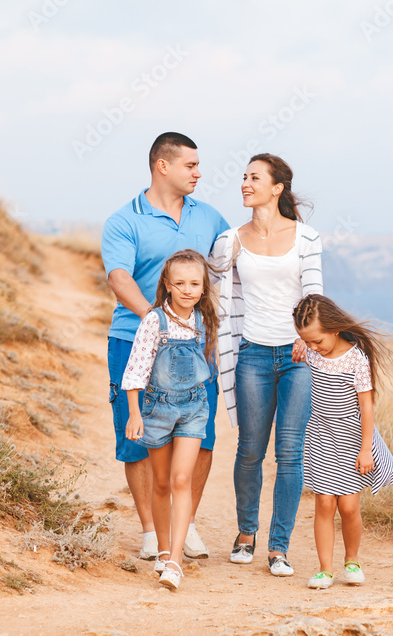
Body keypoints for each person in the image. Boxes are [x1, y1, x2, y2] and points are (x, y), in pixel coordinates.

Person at [102, 132, 229, 561]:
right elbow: (119, 279)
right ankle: (151, 531)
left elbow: (237, 264)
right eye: (190, 165)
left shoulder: (210, 218)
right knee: (137, 437)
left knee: (202, 436)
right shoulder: (125, 220)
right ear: (163, 166)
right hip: (133, 340)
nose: (199, 172)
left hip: (197, 348)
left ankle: (185, 524)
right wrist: (157, 325)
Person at [211, 153, 322, 577]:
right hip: (252, 355)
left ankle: (279, 548)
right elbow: (215, 298)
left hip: (297, 358)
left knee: (290, 454)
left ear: (277, 188)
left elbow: (315, 296)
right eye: (243, 177)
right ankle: (245, 534)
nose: (244, 183)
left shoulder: (307, 238)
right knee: (250, 451)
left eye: (254, 178)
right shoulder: (230, 240)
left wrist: (303, 336)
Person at [292, 294, 393, 589]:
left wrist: (366, 449)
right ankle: (325, 570)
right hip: (321, 436)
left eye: (318, 341)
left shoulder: (356, 359)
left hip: (351, 441)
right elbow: (306, 345)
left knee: (349, 507)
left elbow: (366, 406)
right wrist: (301, 343)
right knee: (324, 504)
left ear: (335, 328)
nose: (315, 348)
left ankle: (352, 560)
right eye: (309, 342)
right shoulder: (312, 350)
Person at [123, 250, 219, 589]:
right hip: (157, 411)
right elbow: (136, 368)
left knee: (182, 480)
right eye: (179, 283)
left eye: (194, 283)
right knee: (161, 483)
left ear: (204, 287)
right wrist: (134, 414)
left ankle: (175, 561)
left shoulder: (204, 322)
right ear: (167, 285)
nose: (187, 290)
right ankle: (163, 550)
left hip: (194, 409)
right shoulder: (154, 321)